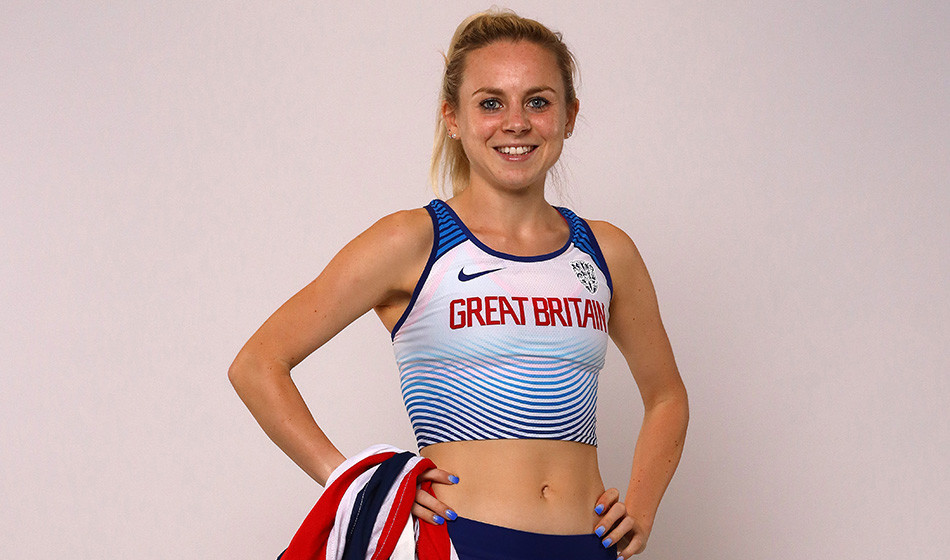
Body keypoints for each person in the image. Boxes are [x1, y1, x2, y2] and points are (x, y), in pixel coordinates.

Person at [229, 9, 688, 559]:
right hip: (459, 542)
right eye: (490, 103)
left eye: (538, 102)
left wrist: (642, 505)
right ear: (453, 117)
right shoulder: (413, 241)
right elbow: (257, 364)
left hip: (586, 546)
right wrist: (357, 482)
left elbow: (666, 396)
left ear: (569, 116)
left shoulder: (607, 251)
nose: (515, 123)